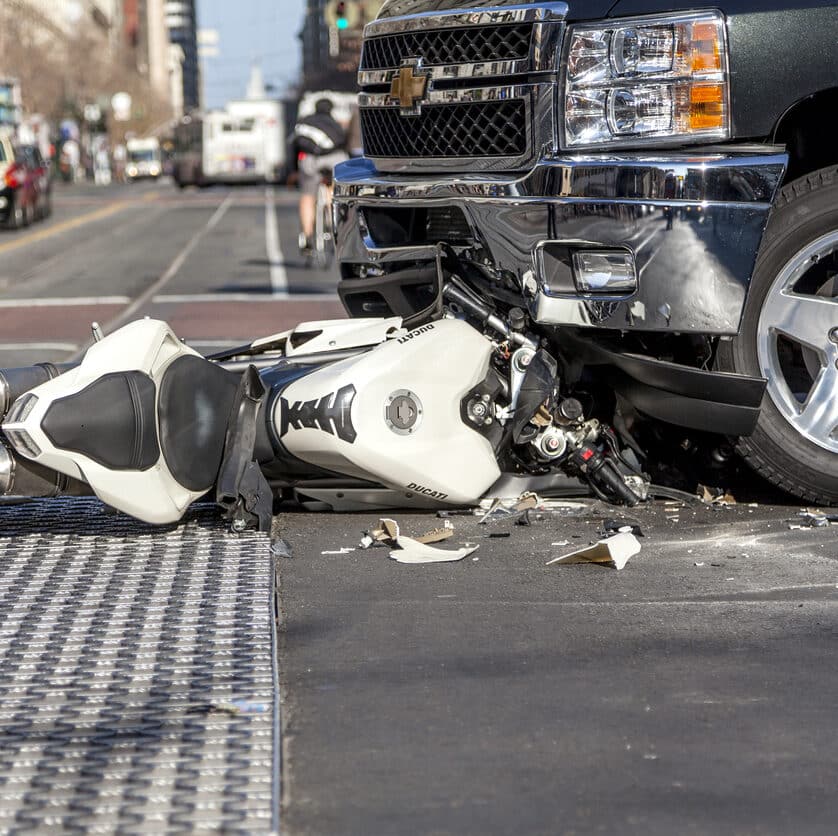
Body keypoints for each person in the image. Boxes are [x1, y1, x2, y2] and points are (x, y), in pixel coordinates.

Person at [289, 98, 348, 252]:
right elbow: (344, 144)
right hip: (333, 159)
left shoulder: (305, 122)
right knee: (332, 188)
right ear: (331, 110)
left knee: (308, 196)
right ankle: (332, 221)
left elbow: (295, 146)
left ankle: (307, 236)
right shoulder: (335, 124)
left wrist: (294, 170)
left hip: (310, 160)